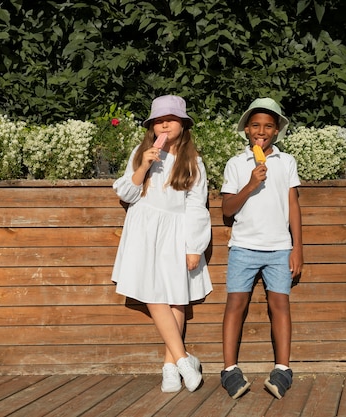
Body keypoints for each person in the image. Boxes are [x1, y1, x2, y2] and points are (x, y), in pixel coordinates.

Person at [111, 95, 212, 393]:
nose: (164, 123)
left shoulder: (193, 162)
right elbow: (127, 194)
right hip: (143, 229)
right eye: (158, 120)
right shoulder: (142, 151)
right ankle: (183, 359)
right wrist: (142, 166)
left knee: (176, 295)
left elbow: (196, 205)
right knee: (154, 294)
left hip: (175, 230)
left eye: (171, 119)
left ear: (183, 124)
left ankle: (170, 366)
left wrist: (194, 246)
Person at [220, 98, 303, 400]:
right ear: (246, 129)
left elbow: (293, 205)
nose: (261, 130)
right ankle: (229, 369)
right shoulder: (236, 163)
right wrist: (250, 184)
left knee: (279, 306)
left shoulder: (286, 162)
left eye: (268, 125)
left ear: (277, 130)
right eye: (255, 125)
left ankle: (282, 369)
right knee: (235, 306)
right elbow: (227, 209)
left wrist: (297, 247)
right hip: (243, 246)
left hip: (280, 247)